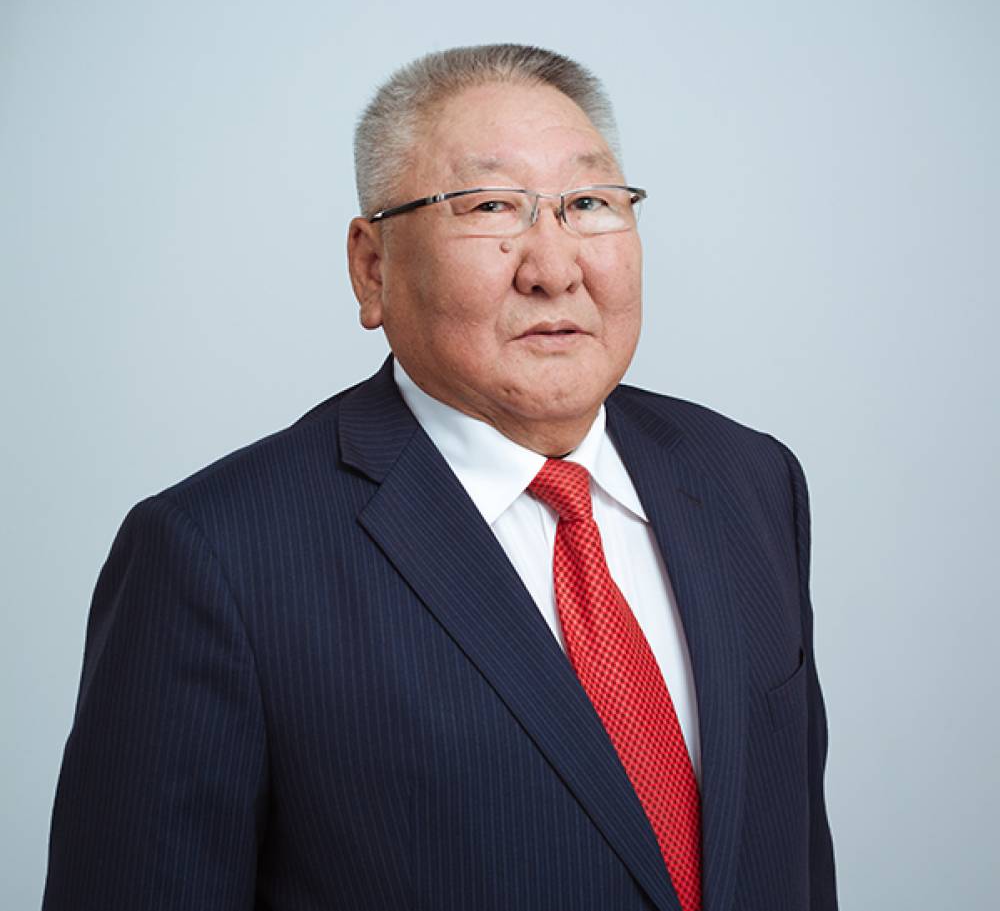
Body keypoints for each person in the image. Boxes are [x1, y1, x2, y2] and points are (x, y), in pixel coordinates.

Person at [43, 44, 837, 911]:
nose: (554, 268)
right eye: (491, 205)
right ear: (372, 266)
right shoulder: (216, 558)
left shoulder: (747, 479)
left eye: (589, 203)